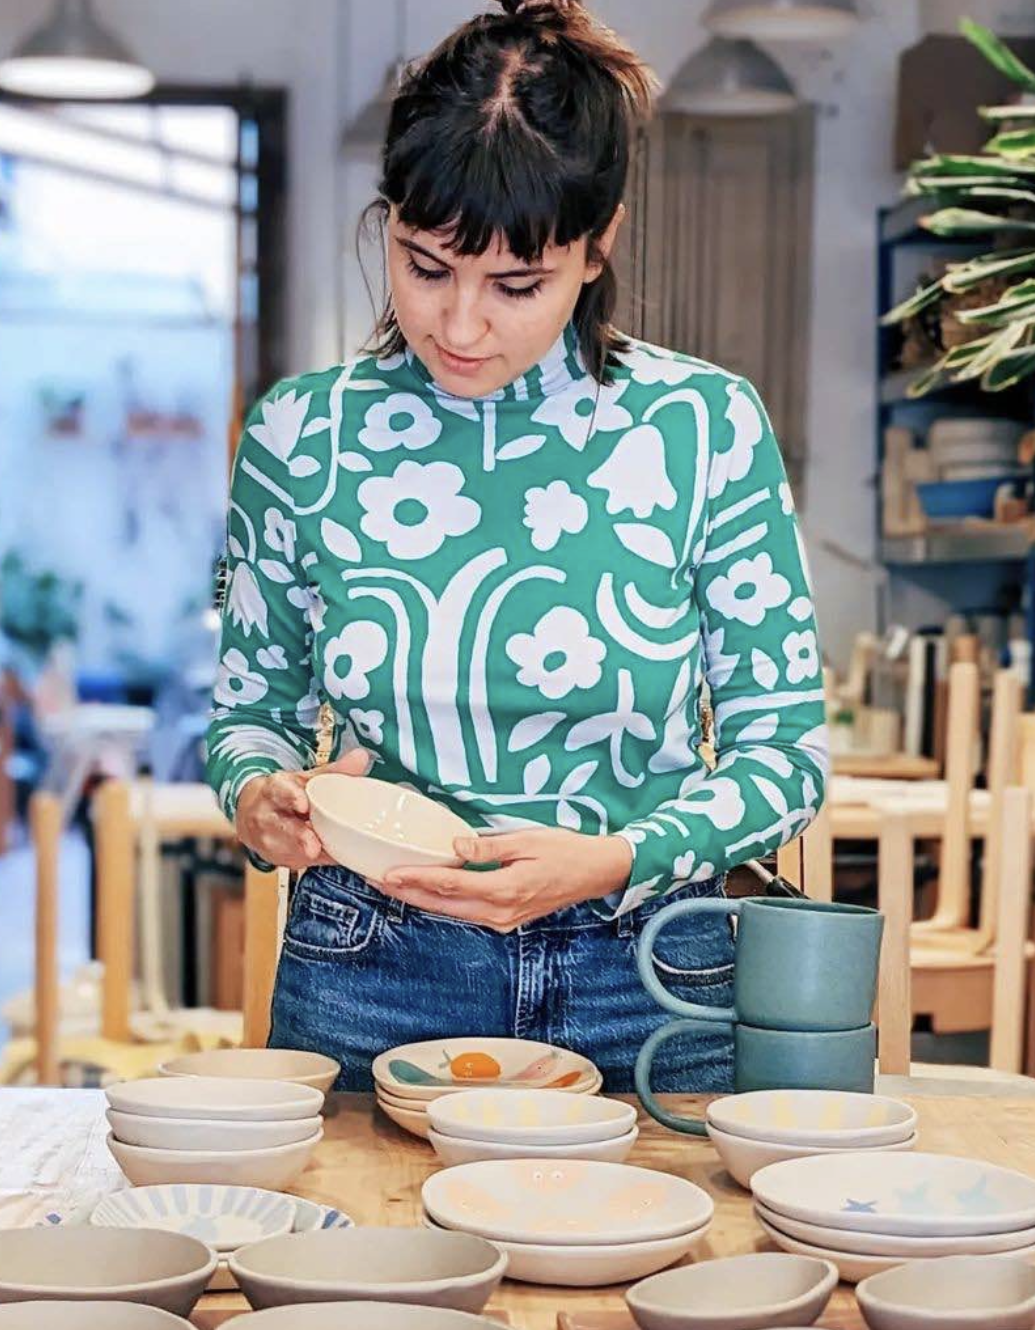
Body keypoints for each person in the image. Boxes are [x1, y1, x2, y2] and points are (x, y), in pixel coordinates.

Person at [207, 0, 828, 1093]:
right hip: (372, 966)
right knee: (352, 1216)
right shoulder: (303, 435)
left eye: (517, 284)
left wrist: (621, 857)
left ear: (598, 245)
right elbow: (247, 715)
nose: (459, 325)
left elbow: (787, 755)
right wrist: (262, 797)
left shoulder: (705, 427)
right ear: (390, 222)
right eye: (425, 265)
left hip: (648, 970)